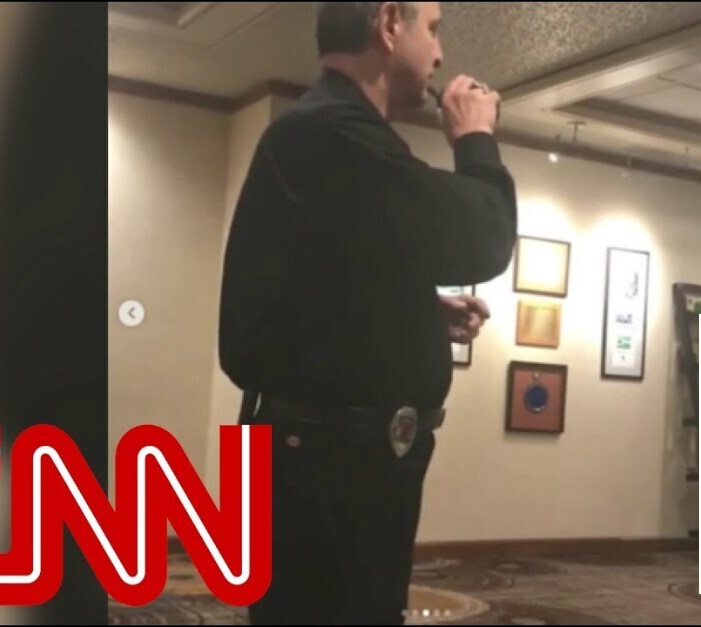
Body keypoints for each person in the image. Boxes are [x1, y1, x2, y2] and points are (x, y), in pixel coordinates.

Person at [217, 1, 517, 624]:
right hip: (329, 465)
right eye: (432, 29)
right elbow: (483, 238)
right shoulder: (330, 134)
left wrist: (415, 310)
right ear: (388, 24)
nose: (440, 53)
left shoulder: (325, 134)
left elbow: (319, 282)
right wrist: (476, 140)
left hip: (326, 456)